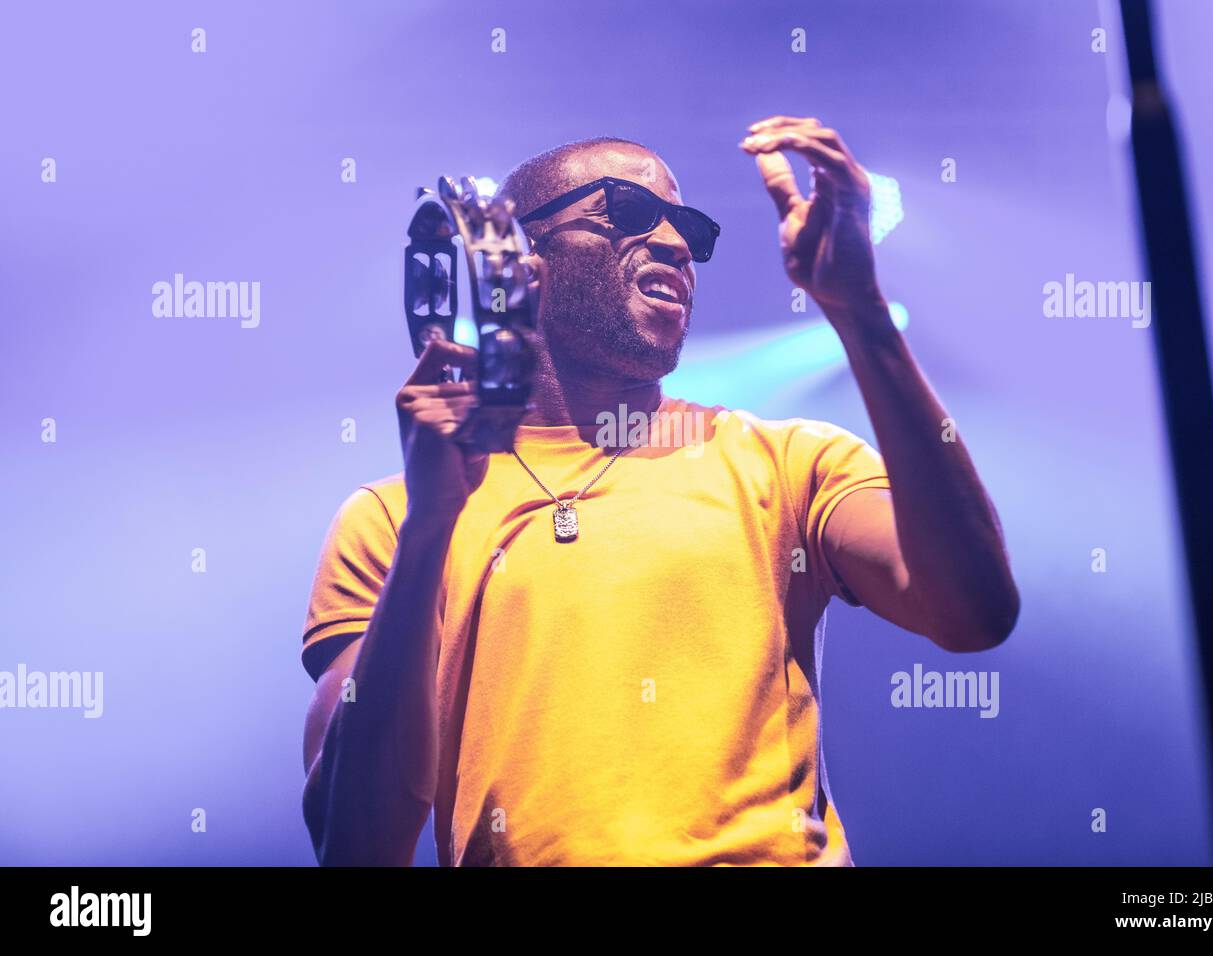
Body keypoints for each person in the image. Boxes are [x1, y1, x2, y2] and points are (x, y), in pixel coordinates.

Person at [299, 116, 1019, 866]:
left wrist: (859, 309)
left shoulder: (785, 461)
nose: (677, 246)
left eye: (691, 231)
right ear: (516, 262)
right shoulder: (391, 520)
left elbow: (975, 612)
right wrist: (429, 533)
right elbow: (356, 845)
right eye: (630, 212)